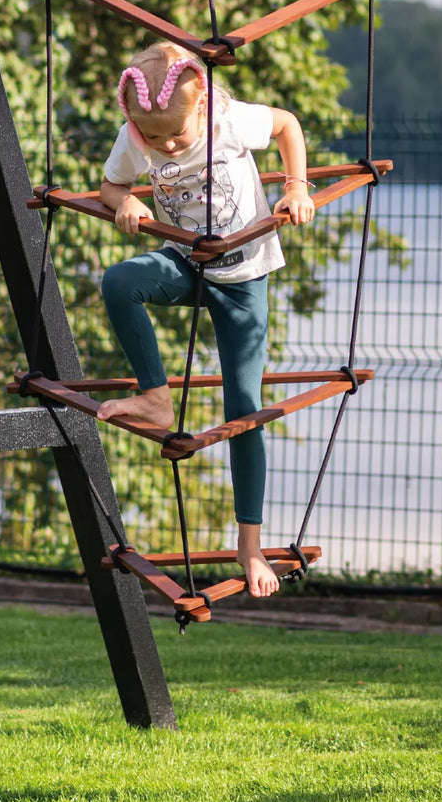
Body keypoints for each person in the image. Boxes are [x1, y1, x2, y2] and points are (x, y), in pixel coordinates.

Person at [95, 40, 316, 598]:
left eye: (177, 134)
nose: (165, 145)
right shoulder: (136, 135)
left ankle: (251, 546)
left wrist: (295, 186)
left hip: (244, 276)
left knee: (243, 409)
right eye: (153, 137)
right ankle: (155, 395)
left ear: (201, 109)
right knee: (119, 281)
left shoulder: (227, 120)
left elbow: (287, 125)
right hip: (185, 263)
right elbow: (111, 182)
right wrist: (125, 201)